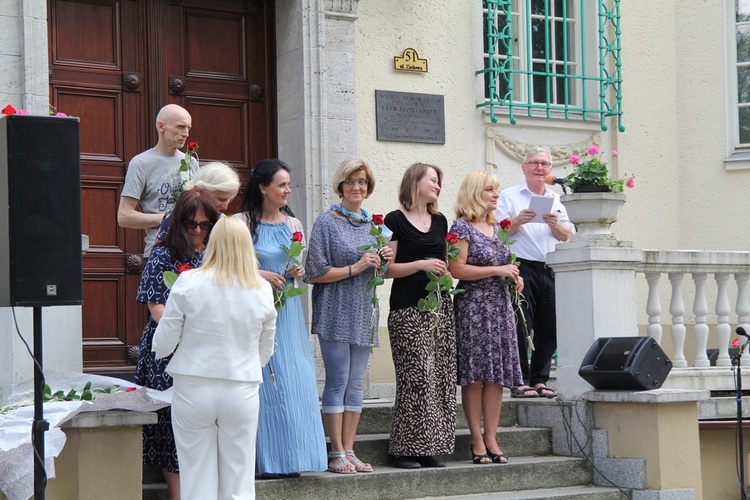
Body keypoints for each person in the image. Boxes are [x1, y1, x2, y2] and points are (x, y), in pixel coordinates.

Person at [152, 216, 277, 500]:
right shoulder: (261, 288)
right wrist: (246, 363)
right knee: (239, 480)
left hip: (194, 384)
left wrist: (166, 350)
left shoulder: (189, 281)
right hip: (241, 386)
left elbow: (165, 340)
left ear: (213, 243)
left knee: (196, 479)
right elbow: (265, 348)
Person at [234, 159, 327, 477]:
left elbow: (297, 268)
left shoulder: (294, 225)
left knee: (293, 379)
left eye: (288, 184)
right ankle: (265, 461)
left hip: (286, 312)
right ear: (263, 188)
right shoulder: (241, 223)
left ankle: (294, 458)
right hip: (254, 311)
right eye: (282, 185)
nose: (288, 190)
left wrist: (296, 271)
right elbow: (226, 267)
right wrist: (260, 273)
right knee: (263, 380)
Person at [305, 158, 394, 474]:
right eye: (352, 181)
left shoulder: (375, 225)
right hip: (334, 309)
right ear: (340, 185)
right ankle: (336, 452)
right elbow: (314, 273)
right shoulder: (326, 222)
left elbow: (380, 274)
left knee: (356, 384)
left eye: (363, 182)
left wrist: (383, 261)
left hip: (362, 310)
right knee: (338, 379)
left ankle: (350, 450)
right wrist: (354, 267)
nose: (357, 187)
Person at [134, 189, 220, 499]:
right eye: (190, 224)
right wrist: (193, 333)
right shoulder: (163, 254)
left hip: (207, 352)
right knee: (172, 422)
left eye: (205, 225)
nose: (198, 231)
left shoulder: (215, 256)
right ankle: (178, 493)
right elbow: (157, 309)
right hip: (169, 351)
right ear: (178, 224)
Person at [384, 162, 457, 469]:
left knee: (438, 377)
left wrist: (444, 274)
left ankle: (428, 447)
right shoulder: (394, 220)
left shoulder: (441, 222)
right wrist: (420, 265)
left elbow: (447, 262)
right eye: (433, 180)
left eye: (439, 182)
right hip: (406, 310)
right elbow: (385, 269)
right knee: (416, 378)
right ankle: (404, 449)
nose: (438, 186)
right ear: (415, 181)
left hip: (438, 308)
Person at [448, 170, 524, 465]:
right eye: (490, 189)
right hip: (474, 309)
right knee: (476, 376)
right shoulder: (461, 227)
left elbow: (505, 264)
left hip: (500, 307)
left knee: (496, 377)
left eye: (497, 189)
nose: (496, 195)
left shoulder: (499, 228)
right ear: (474, 193)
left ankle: (492, 436)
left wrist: (515, 277)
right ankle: (476, 439)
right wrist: (497, 271)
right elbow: (457, 270)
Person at [496, 147, 573, 399]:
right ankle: (520, 380)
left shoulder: (559, 199)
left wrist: (555, 224)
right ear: (524, 167)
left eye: (544, 164)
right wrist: (518, 220)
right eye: (534, 163)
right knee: (520, 324)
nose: (540, 168)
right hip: (522, 267)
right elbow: (498, 235)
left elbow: (568, 236)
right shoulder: (509, 196)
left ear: (550, 169)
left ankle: (540, 379)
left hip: (552, 268)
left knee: (549, 327)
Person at [118, 104, 197, 256]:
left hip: (192, 250)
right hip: (159, 251)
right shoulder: (141, 163)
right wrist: (169, 217)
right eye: (180, 127)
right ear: (161, 126)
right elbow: (124, 217)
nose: (186, 134)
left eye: (188, 128)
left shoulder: (191, 162)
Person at [154, 161, 240, 243]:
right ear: (200, 191)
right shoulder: (172, 219)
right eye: (221, 199)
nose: (225, 207)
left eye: (230, 200)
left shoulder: (222, 223)